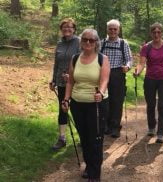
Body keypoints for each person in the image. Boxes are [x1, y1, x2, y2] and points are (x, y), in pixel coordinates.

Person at [62, 28, 110, 181]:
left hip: (96, 105)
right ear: (81, 41)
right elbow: (70, 81)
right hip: (77, 104)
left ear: (96, 42)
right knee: (84, 138)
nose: (88, 42)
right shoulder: (75, 58)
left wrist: (100, 93)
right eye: (85, 39)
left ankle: (95, 176)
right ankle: (89, 166)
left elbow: (104, 80)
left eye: (91, 40)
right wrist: (66, 99)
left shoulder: (102, 58)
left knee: (95, 139)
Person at [134, 23, 163, 143]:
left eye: (159, 32)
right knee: (151, 105)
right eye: (154, 32)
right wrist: (138, 71)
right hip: (150, 79)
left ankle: (161, 132)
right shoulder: (146, 47)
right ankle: (152, 126)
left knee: (162, 105)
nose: (156, 34)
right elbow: (142, 63)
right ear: (151, 33)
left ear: (162, 33)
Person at [49, 18, 80, 151]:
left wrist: (72, 75)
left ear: (74, 29)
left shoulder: (79, 42)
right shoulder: (59, 44)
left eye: (70, 27)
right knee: (63, 109)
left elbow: (83, 61)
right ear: (61, 29)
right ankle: (62, 138)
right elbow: (56, 64)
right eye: (64, 27)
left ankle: (84, 138)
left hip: (77, 83)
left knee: (78, 111)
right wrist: (53, 80)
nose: (67, 29)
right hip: (61, 83)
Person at [100, 19, 133, 138]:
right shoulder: (102, 43)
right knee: (104, 101)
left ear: (118, 30)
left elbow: (129, 59)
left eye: (115, 29)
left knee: (117, 101)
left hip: (118, 74)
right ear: (107, 30)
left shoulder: (123, 43)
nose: (113, 31)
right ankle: (106, 126)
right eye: (110, 29)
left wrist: (127, 66)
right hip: (103, 74)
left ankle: (115, 127)